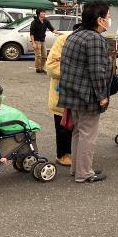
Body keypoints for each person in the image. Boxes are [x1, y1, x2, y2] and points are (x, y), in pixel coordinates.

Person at [59, 2, 112, 183]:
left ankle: (78, 168)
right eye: (108, 16)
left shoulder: (75, 35)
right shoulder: (95, 39)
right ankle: (84, 172)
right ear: (100, 20)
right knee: (88, 134)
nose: (109, 20)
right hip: (87, 95)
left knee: (78, 132)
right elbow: (97, 71)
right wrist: (102, 96)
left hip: (72, 92)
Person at [45, 25, 77, 167]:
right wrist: (75, 71)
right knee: (63, 125)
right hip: (62, 91)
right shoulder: (63, 40)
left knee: (77, 126)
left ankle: (74, 152)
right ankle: (62, 154)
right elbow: (51, 67)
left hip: (79, 93)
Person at [30, 9, 57, 73]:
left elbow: (52, 29)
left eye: (45, 12)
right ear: (39, 13)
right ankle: (38, 68)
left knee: (44, 56)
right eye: (43, 12)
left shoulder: (46, 21)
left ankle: (41, 68)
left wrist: (59, 33)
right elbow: (31, 34)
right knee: (38, 55)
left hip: (43, 40)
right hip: (36, 41)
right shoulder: (34, 22)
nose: (44, 13)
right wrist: (33, 43)